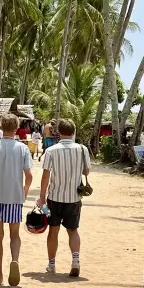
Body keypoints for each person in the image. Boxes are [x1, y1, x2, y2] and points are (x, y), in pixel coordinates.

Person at [0, 113, 33, 286]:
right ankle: (15, 260)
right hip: (15, 197)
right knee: (15, 235)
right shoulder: (22, 148)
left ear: (1, 127)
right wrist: (24, 191)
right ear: (16, 128)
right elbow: (29, 175)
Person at [39, 118, 91, 278]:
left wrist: (42, 197)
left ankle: (52, 264)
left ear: (58, 132)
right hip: (74, 197)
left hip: (55, 197)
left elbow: (46, 175)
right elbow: (86, 172)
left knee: (53, 231)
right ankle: (75, 261)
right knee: (73, 230)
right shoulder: (82, 150)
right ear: (73, 132)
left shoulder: (51, 150)